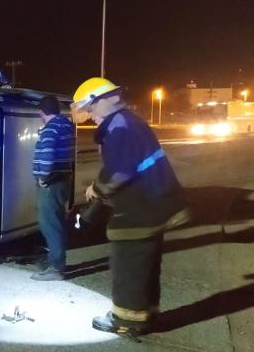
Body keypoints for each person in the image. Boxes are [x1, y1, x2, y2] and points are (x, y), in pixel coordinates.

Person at [71, 77, 189, 336]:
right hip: (154, 205)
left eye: (90, 109)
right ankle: (147, 313)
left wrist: (96, 189)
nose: (90, 116)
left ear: (101, 101)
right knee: (146, 264)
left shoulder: (119, 126)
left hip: (140, 210)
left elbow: (120, 171)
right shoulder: (129, 121)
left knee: (129, 266)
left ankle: (127, 321)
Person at [31, 95, 75, 281]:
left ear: (42, 112)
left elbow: (47, 154)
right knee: (56, 222)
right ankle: (56, 262)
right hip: (63, 179)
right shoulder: (66, 125)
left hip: (51, 183)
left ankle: (56, 268)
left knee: (49, 224)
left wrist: (43, 177)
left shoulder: (50, 128)